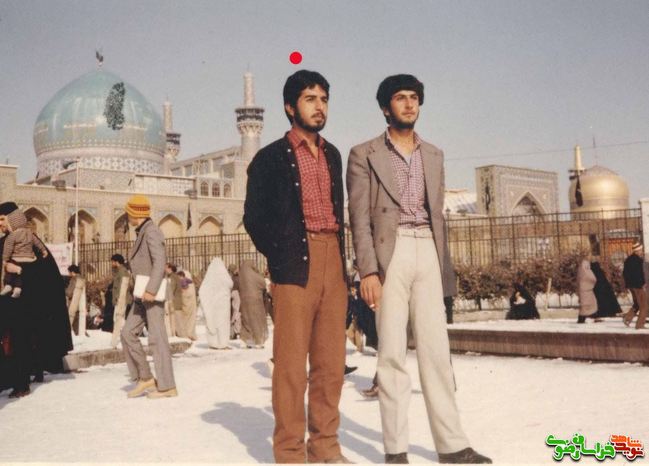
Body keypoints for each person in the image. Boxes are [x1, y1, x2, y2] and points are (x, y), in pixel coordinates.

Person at [347, 74, 491, 464]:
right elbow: (359, 218)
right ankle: (396, 450)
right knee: (392, 353)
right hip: (389, 253)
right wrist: (368, 271)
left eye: (414, 97)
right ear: (385, 108)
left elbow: (437, 215)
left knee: (436, 351)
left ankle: (452, 445)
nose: (409, 104)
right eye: (400, 98)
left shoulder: (434, 154)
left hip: (427, 248)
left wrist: (444, 269)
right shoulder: (363, 154)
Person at [244, 70, 350, 464]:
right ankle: (290, 452)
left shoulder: (332, 154)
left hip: (333, 260)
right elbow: (254, 217)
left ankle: (325, 447)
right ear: (290, 107)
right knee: (291, 366)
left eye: (324, 99)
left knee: (331, 364)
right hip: (295, 265)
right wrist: (281, 255)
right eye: (310, 99)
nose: (319, 107)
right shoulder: (270, 157)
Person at [0, 201, 72, 397]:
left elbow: (44, 274)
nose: (1, 224)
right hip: (10, 301)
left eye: (2, 220)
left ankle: (21, 383)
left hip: (25, 303)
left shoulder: (31, 241)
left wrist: (19, 270)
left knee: (20, 341)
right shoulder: (8, 240)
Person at [120, 195, 177, 399]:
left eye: (129, 213)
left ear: (136, 213)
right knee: (127, 333)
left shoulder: (151, 231)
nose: (127, 217)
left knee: (157, 339)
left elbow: (160, 261)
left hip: (151, 294)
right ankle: (145, 377)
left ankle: (167, 386)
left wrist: (151, 290)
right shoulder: (142, 232)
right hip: (141, 295)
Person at [1, 207, 48, 298]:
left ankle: (8, 285)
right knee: (20, 274)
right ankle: (18, 288)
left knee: (9, 269)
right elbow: (38, 242)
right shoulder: (30, 233)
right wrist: (44, 250)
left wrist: (5, 259)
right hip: (30, 258)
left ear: (12, 223)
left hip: (17, 258)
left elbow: (8, 248)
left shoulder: (12, 235)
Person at [199, 257, 233, 349]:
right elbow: (230, 284)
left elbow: (202, 290)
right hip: (223, 304)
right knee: (222, 324)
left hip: (213, 304)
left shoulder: (209, 277)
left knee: (212, 322)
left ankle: (213, 343)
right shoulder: (224, 275)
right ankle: (223, 343)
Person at [237, 261, 268, 348]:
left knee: (246, 321)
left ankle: (246, 341)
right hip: (255, 301)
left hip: (244, 301)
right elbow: (263, 283)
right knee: (256, 320)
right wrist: (258, 272)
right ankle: (258, 341)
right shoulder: (254, 275)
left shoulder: (241, 276)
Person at [622, 242, 647, 329]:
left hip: (631, 286)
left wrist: (628, 284)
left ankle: (627, 318)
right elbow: (639, 274)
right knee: (644, 305)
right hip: (638, 286)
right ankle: (640, 325)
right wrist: (642, 283)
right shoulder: (638, 261)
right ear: (637, 251)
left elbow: (624, 273)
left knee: (637, 304)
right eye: (640, 250)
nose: (642, 251)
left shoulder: (628, 260)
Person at [110, 254, 131, 348]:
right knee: (119, 319)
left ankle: (120, 340)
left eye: (112, 262)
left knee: (118, 319)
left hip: (121, 298)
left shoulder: (122, 271)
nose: (111, 263)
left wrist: (118, 298)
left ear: (116, 262)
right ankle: (123, 339)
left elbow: (122, 287)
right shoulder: (119, 271)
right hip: (119, 298)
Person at [576, 255, 601, 324]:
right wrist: (593, 280)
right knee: (585, 305)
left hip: (587, 290)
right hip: (585, 289)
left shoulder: (583, 269)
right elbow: (589, 278)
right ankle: (581, 319)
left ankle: (592, 316)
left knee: (591, 304)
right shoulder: (584, 270)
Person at [66, 264, 87, 335]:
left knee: (70, 318)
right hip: (81, 304)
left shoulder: (74, 279)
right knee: (78, 320)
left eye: (69, 272)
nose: (69, 274)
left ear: (72, 272)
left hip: (73, 303)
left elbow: (69, 293)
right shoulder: (83, 279)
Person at [164, 263, 182, 336]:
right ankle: (173, 333)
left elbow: (172, 289)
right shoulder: (173, 276)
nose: (164, 269)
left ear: (170, 268)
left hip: (172, 300)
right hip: (173, 300)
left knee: (172, 318)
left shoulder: (172, 277)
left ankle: (173, 333)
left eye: (165, 267)